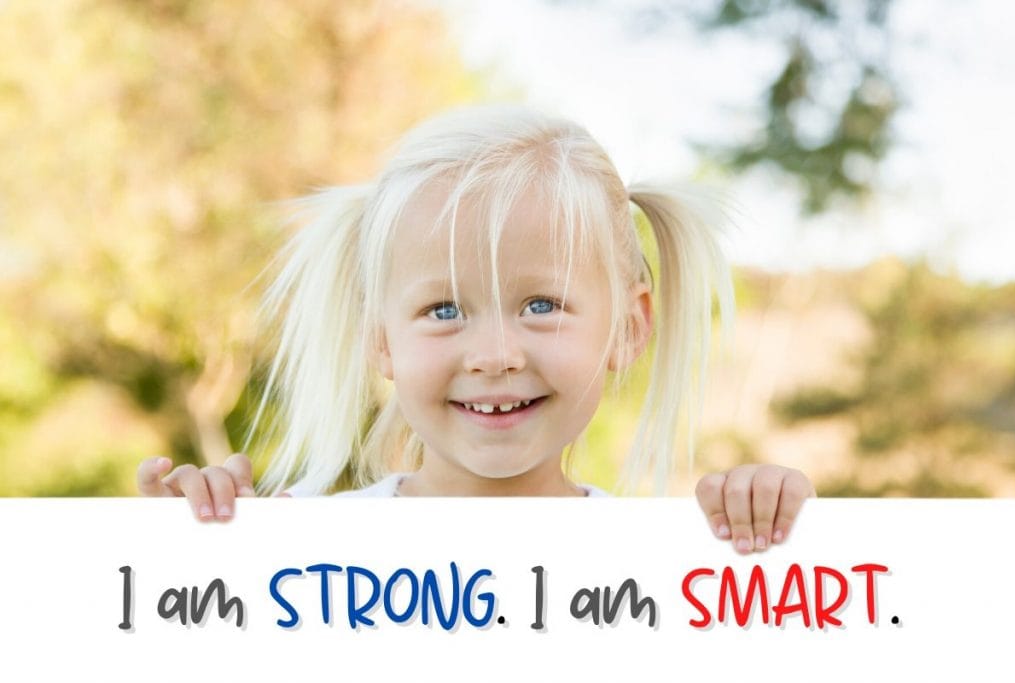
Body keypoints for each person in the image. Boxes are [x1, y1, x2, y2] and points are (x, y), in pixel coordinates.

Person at [138, 104, 814, 554]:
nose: (494, 356)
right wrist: (187, 552)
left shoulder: (669, 564)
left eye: (542, 305)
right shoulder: (298, 551)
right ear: (381, 337)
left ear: (629, 328)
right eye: (443, 310)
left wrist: (775, 533)